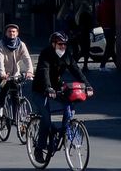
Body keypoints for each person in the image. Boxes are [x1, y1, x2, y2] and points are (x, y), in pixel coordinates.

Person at [32, 32, 92, 163]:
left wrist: (87, 85)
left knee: (70, 102)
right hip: (40, 89)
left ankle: (65, 127)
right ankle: (39, 148)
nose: (63, 46)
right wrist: (48, 87)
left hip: (57, 86)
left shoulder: (67, 55)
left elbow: (76, 70)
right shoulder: (46, 54)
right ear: (53, 44)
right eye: (60, 44)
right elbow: (44, 71)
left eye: (65, 44)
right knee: (46, 118)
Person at [0, 23, 33, 116]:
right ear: (6, 33)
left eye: (14, 31)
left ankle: (15, 118)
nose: (12, 33)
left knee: (15, 95)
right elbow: (0, 60)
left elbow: (27, 58)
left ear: (17, 33)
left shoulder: (21, 45)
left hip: (15, 74)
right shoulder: (0, 44)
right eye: (9, 31)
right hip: (3, 73)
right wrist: (2, 73)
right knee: (4, 89)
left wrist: (29, 71)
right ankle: (0, 107)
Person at [96, 0, 117, 71]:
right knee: (110, 46)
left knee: (110, 45)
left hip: (105, 27)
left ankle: (115, 63)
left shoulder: (102, 4)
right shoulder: (113, 3)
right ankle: (103, 65)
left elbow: (98, 16)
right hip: (111, 26)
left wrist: (101, 23)